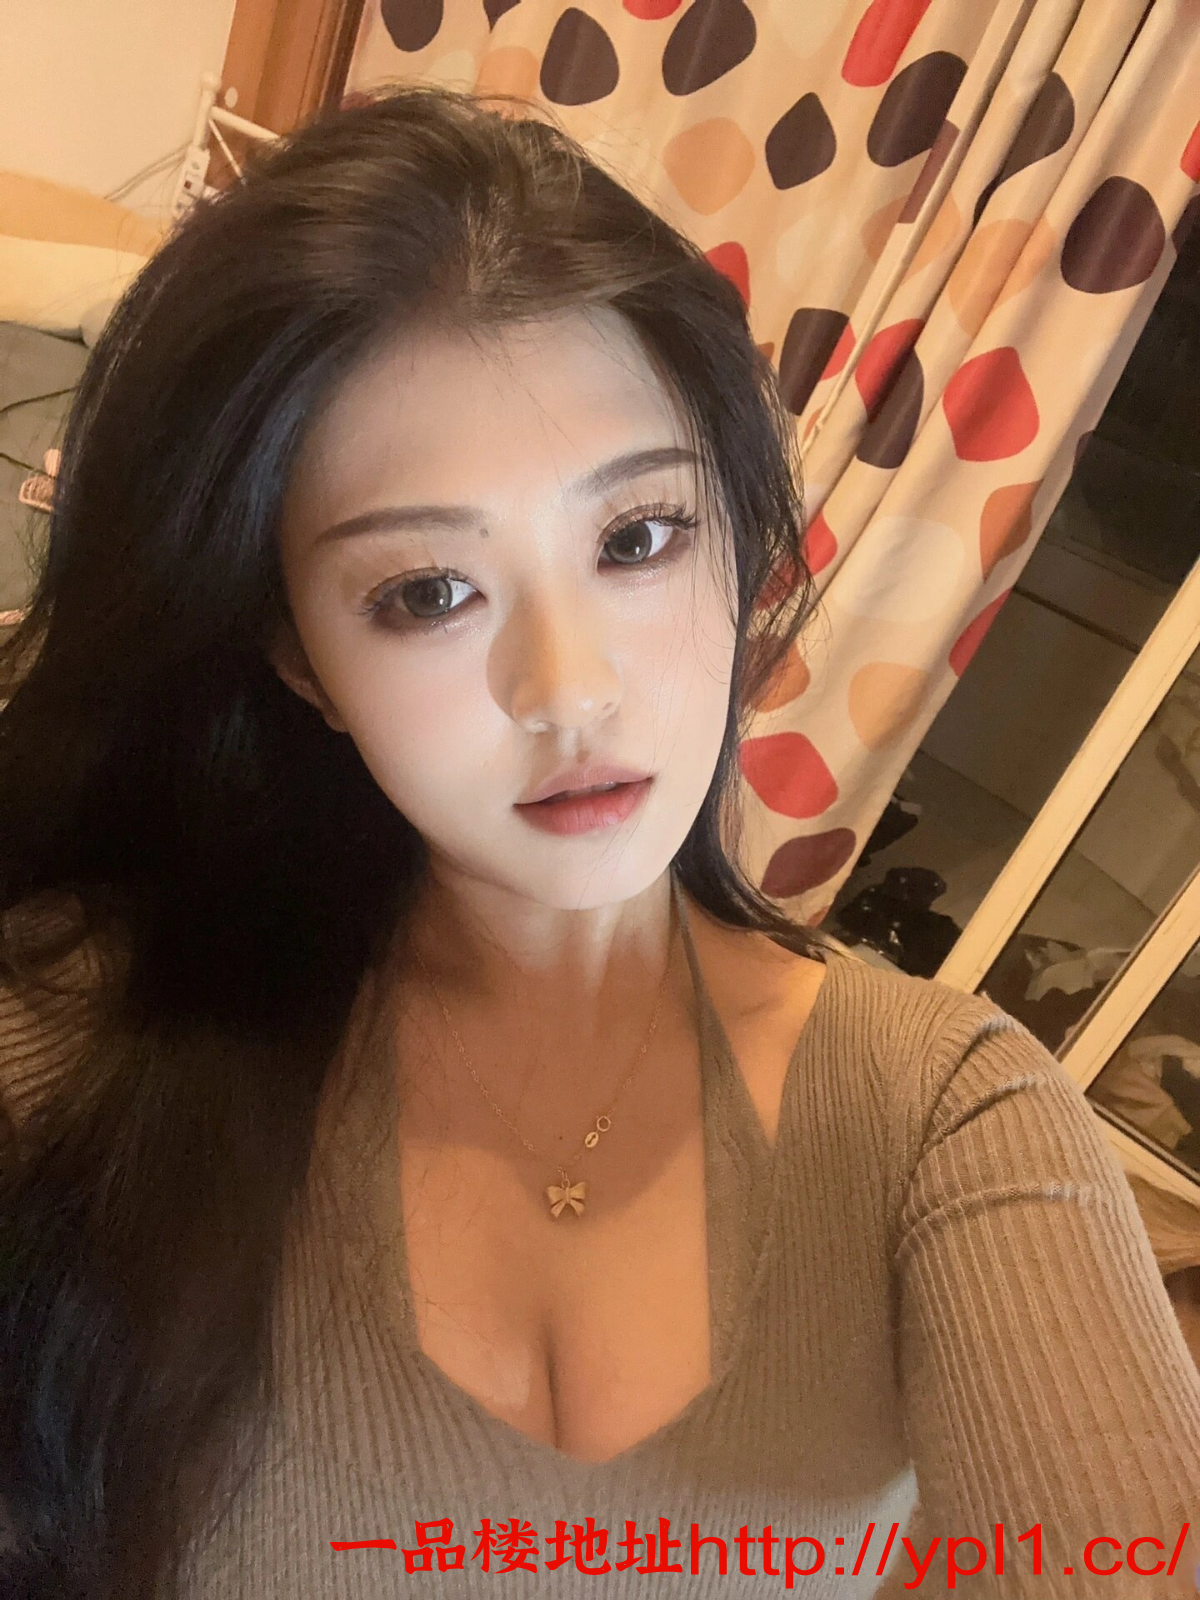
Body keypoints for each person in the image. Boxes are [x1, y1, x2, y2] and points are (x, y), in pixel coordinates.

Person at [0, 84, 1196, 1600]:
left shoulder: (949, 1121)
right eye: (427, 593)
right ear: (300, 658)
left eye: (637, 539)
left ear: (738, 541)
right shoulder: (82, 1032)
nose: (569, 689)